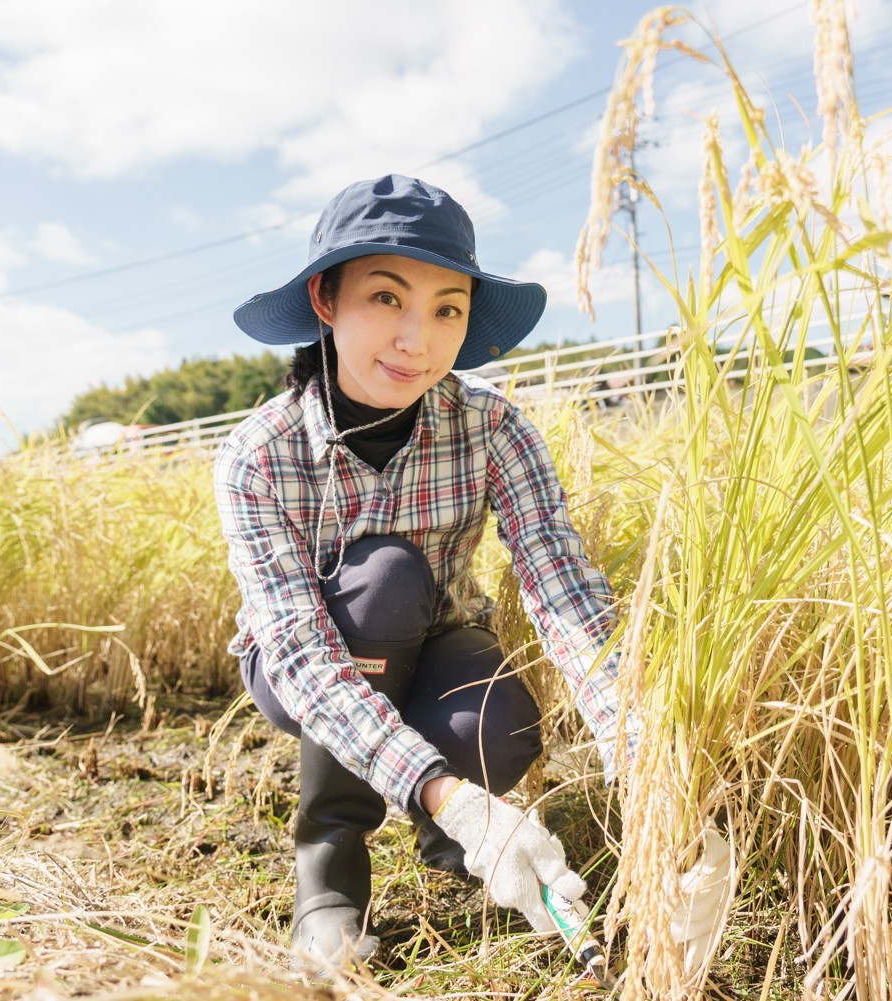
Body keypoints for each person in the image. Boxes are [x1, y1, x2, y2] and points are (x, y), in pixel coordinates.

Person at [214, 175, 634, 970]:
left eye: (447, 308)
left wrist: (632, 737)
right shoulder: (259, 456)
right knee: (384, 576)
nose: (417, 339)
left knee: (495, 718)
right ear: (325, 300)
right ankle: (331, 867)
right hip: (308, 660)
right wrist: (453, 792)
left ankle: (456, 846)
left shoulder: (492, 427)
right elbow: (302, 659)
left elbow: (560, 584)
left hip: (440, 643)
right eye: (385, 298)